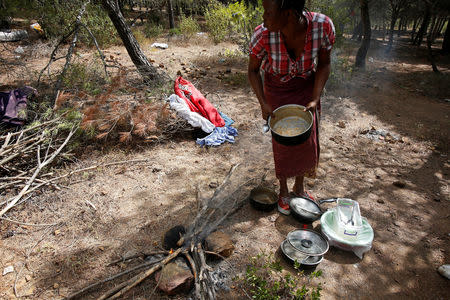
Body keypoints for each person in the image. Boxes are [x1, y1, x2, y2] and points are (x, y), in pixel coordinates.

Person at [248, 0, 335, 215]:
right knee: (283, 141)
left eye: (268, 12)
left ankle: (300, 187)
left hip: (307, 86)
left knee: (305, 139)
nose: (263, 17)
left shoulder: (322, 27)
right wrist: (264, 103)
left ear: (287, 14)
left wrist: (315, 98)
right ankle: (284, 190)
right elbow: (252, 71)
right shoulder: (263, 35)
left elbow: (324, 63)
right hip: (276, 88)